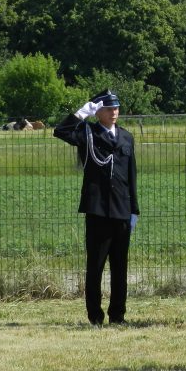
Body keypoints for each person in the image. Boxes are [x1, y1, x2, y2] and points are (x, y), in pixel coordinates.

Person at [54, 89, 139, 325]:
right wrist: (81, 114)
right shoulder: (87, 133)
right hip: (98, 209)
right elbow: (60, 131)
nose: (114, 112)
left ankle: (118, 315)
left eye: (116, 108)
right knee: (96, 267)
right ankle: (95, 316)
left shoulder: (126, 137)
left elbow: (131, 175)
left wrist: (134, 209)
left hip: (122, 208)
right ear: (98, 111)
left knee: (120, 267)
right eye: (109, 108)